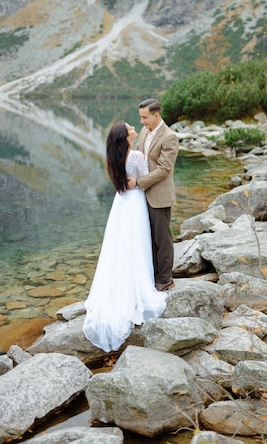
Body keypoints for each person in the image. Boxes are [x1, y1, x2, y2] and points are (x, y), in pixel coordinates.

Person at [83, 121, 167, 352]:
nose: (133, 126)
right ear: (126, 136)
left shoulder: (114, 158)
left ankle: (118, 285)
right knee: (136, 244)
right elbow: (145, 179)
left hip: (120, 203)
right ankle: (139, 287)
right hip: (135, 204)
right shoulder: (137, 156)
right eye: (129, 127)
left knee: (120, 246)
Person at [128, 98, 179, 291]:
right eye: (141, 117)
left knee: (162, 238)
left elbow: (165, 169)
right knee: (147, 237)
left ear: (156, 115)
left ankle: (165, 279)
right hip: (142, 195)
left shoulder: (169, 137)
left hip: (159, 195)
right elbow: (140, 158)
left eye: (145, 117)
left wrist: (139, 182)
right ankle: (152, 275)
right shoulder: (143, 132)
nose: (142, 121)